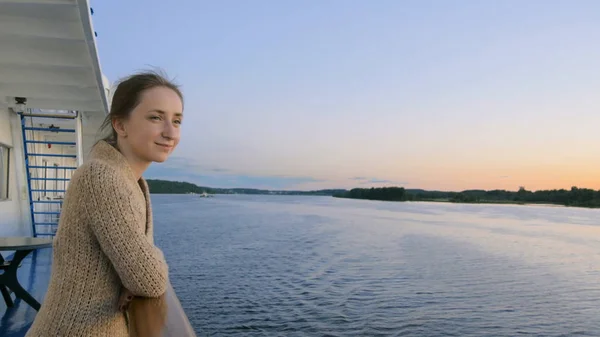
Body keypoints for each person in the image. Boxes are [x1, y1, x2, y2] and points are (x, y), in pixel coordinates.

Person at [26, 70, 184, 337]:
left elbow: (139, 265)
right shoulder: (102, 176)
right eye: (156, 117)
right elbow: (150, 279)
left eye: (177, 121)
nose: (170, 132)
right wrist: (139, 273)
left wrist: (134, 275)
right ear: (120, 125)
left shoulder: (132, 181)